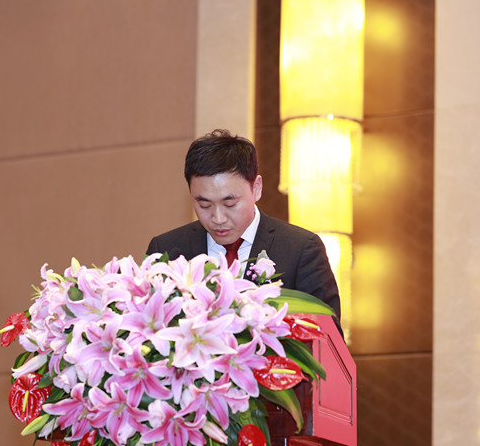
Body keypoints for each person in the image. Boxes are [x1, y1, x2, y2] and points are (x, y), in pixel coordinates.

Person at [145, 129, 341, 319]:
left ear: (256, 189)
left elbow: (326, 333)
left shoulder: (301, 249)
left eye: (230, 204)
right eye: (204, 205)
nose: (218, 218)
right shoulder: (167, 251)